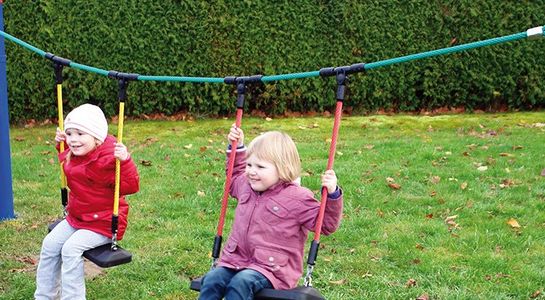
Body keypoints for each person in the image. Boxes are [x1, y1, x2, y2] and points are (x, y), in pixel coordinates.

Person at [199, 126, 343, 299]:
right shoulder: (246, 185)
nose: (251, 171)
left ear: (282, 168)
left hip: (273, 269)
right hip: (237, 260)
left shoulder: (297, 198)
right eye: (249, 164)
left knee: (241, 283)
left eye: (260, 166)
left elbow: (326, 224)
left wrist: (333, 193)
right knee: (212, 279)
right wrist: (237, 148)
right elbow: (234, 176)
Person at [35, 104, 140, 300]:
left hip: (103, 223)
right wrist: (62, 144)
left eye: (80, 134)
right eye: (69, 133)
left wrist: (125, 161)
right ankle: (44, 296)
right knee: (50, 244)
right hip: (78, 217)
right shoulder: (74, 153)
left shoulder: (110, 159)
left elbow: (130, 186)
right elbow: (69, 160)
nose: (73, 139)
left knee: (70, 249)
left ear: (97, 138)